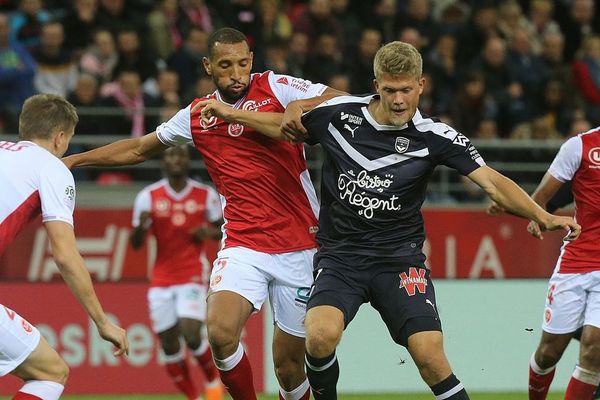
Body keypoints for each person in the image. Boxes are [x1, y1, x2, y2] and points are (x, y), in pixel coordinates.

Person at [196, 40, 582, 400]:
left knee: (430, 357)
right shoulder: (338, 116)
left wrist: (541, 214)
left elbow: (492, 182)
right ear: (376, 85)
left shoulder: (437, 136)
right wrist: (234, 113)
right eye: (390, 90)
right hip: (340, 259)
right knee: (319, 337)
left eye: (407, 90)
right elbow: (284, 127)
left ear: (421, 85)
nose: (399, 100)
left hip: (399, 261)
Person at [63, 27, 341, 400]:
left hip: (300, 245)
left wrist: (299, 105)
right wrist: (75, 160)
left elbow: (343, 100)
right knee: (221, 333)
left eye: (243, 63)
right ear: (208, 66)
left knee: (289, 369)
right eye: (226, 66)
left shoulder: (276, 86)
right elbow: (139, 149)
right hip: (244, 245)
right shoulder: (197, 115)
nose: (237, 74)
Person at [0, 94, 129, 400]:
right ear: (60, 138)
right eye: (69, 140)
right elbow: (65, 255)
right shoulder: (52, 168)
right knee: (50, 372)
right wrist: (101, 320)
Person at [130, 145, 224, 400]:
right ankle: (194, 397)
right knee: (169, 344)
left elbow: (224, 230)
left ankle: (213, 380)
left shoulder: (205, 195)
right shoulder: (148, 197)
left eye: (181, 154)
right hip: (161, 278)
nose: (176, 159)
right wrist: (142, 226)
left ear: (187, 160)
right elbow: (136, 244)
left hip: (192, 272)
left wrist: (208, 233)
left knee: (191, 333)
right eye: (171, 154)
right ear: (164, 161)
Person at [516, 128, 600, 399]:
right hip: (576, 262)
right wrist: (536, 216)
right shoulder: (579, 146)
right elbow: (541, 196)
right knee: (549, 351)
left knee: (593, 348)